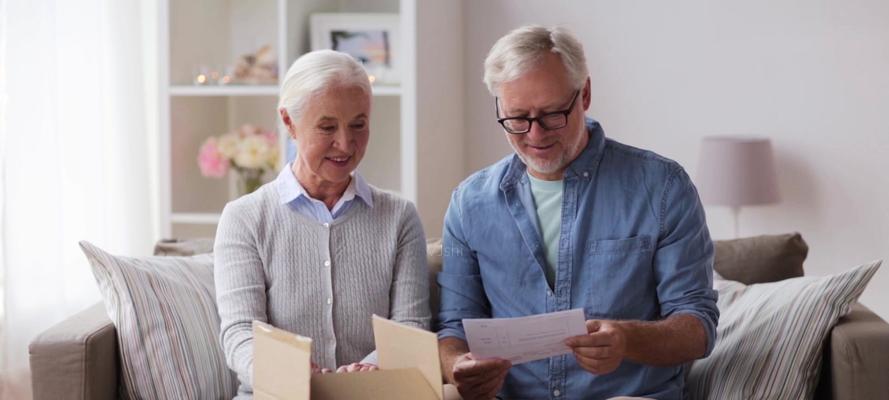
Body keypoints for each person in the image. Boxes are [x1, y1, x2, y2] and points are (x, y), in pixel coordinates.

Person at [437, 26, 718, 400]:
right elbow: (453, 326)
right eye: (517, 118)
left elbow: (696, 327)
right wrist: (458, 366)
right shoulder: (470, 203)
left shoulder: (662, 187)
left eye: (553, 114)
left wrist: (627, 339)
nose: (535, 135)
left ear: (584, 93)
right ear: (498, 107)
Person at [214, 50, 431, 398]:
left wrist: (372, 368)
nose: (345, 144)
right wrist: (290, 375)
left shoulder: (399, 217)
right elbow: (241, 332)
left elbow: (411, 327)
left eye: (358, 125)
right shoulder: (244, 218)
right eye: (327, 127)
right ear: (288, 122)